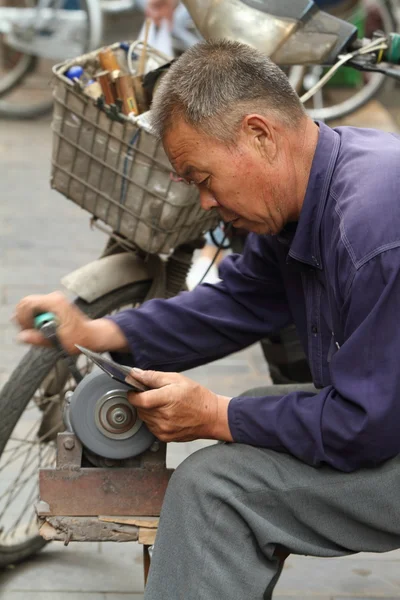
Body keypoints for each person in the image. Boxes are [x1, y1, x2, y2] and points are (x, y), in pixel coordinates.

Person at [15, 40, 400, 599]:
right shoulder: (311, 190)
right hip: (383, 414)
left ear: (259, 135)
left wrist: (217, 415)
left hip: (383, 430)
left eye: (201, 177)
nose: (204, 202)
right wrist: (100, 333)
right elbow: (238, 301)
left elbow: (364, 425)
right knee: (250, 430)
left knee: (214, 488)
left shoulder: (372, 230)